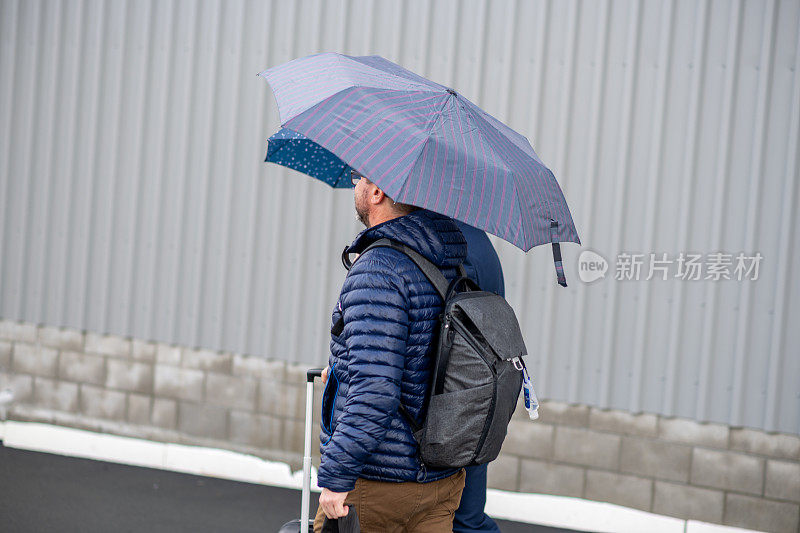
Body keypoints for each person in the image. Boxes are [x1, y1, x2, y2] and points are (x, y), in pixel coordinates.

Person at [314, 170, 468, 532]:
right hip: (440, 480)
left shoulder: (379, 270)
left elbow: (376, 390)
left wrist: (337, 475)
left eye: (358, 177)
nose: (355, 184)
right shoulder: (452, 262)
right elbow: (423, 356)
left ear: (378, 191)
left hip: (378, 484)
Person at [452, 220, 505, 533]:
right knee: (467, 519)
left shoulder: (445, 242)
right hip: (478, 395)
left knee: (460, 520)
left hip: (450, 403)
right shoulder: (478, 241)